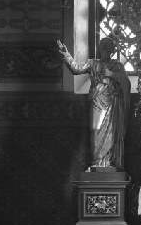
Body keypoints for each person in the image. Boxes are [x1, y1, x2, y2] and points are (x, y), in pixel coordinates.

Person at [56, 37, 131, 170]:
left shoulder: (117, 65)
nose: (104, 46)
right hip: (97, 101)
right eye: (102, 44)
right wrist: (67, 55)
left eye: (107, 45)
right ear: (99, 48)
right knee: (95, 131)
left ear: (112, 50)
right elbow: (76, 69)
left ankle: (110, 162)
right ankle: (97, 162)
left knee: (112, 132)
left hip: (112, 104)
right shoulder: (92, 63)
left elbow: (126, 83)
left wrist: (112, 74)